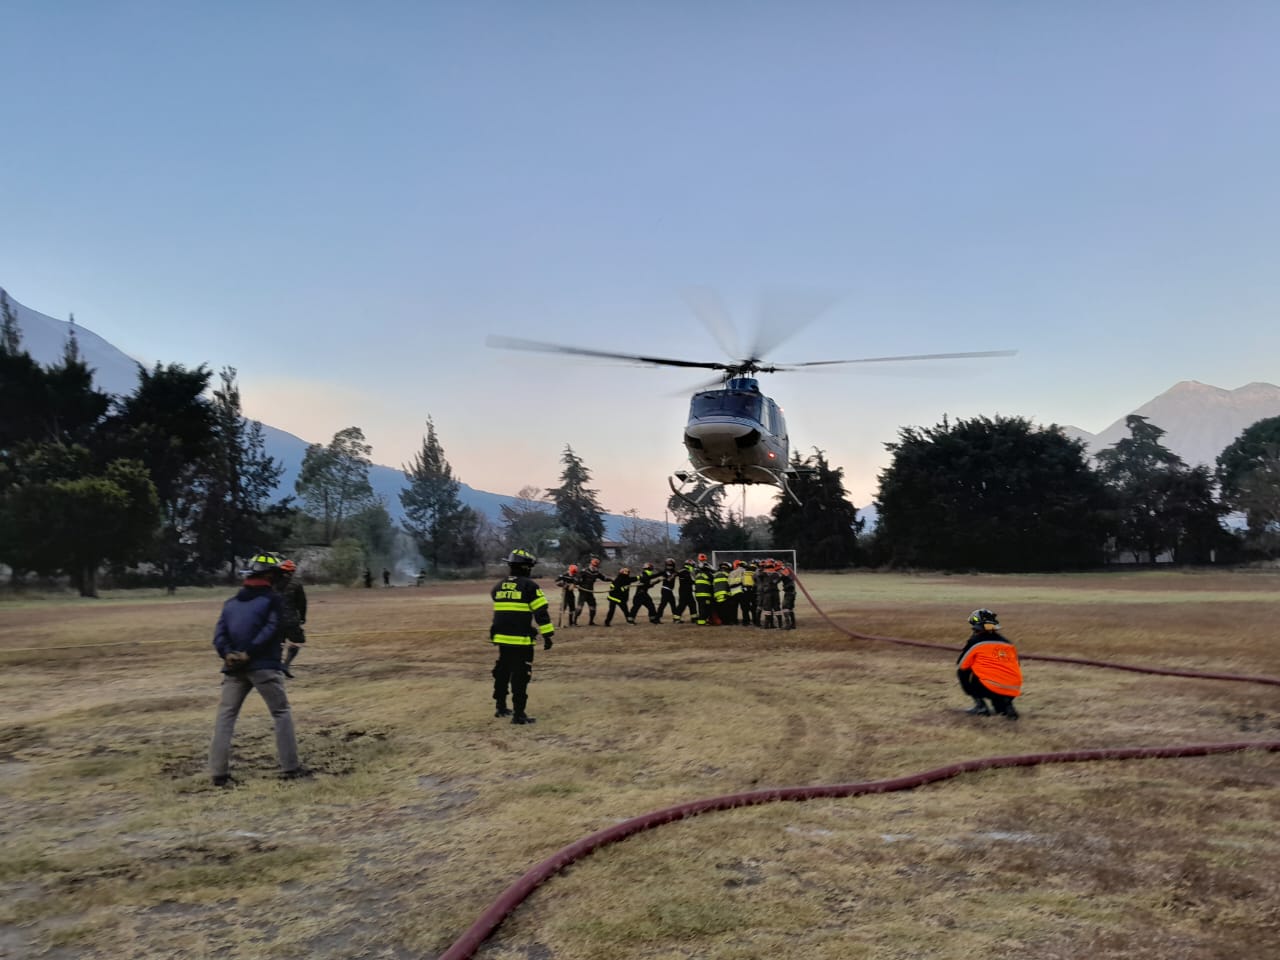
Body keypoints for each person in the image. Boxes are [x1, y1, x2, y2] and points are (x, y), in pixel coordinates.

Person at [209, 553, 308, 785]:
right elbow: (272, 628)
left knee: (225, 717)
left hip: (233, 669)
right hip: (264, 666)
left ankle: (218, 774)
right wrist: (250, 652)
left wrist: (228, 654)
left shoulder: (230, 604)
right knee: (281, 713)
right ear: (270, 576)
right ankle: (291, 768)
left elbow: (219, 635)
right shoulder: (273, 600)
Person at [489, 548, 555, 724]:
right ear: (526, 567)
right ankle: (519, 714)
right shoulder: (529, 586)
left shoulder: (499, 586)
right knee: (520, 675)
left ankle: (500, 707)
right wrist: (548, 635)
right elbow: (541, 612)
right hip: (521, 639)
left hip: (501, 638)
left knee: (502, 671)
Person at [957, 609, 1022, 720]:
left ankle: (980, 706)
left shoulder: (976, 642)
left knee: (963, 672)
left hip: (988, 687)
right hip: (1013, 689)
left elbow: (962, 665)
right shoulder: (1008, 643)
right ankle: (1007, 705)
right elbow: (1017, 664)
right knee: (1000, 709)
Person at [276, 558, 307, 678]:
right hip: (291, 619)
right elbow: (302, 603)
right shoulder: (296, 584)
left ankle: (276, 666)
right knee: (298, 641)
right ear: (292, 571)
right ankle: (285, 665)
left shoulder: (272, 583)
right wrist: (303, 617)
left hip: (275, 620)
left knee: (278, 643)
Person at [576, 556, 608, 625]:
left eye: (596, 566)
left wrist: (612, 580)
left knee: (593, 606)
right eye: (594, 565)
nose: (595, 567)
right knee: (580, 607)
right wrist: (576, 583)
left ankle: (591, 622)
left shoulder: (596, 572)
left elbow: (603, 578)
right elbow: (577, 579)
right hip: (583, 592)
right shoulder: (584, 571)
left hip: (590, 592)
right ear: (590, 564)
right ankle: (574, 621)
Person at [655, 558, 680, 623]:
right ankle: (657, 618)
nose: (669, 567)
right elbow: (655, 575)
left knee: (672, 604)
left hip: (669, 590)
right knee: (663, 604)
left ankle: (676, 619)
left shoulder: (674, 572)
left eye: (671, 565)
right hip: (665, 589)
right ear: (666, 565)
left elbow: (681, 574)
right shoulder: (664, 572)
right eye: (668, 565)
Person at [673, 558, 697, 623]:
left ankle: (694, 618)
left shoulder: (686, 571)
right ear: (690, 565)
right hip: (684, 592)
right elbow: (689, 581)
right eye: (693, 566)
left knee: (692, 604)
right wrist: (696, 582)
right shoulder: (684, 571)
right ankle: (676, 618)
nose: (693, 568)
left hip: (688, 591)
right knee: (682, 605)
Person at [693, 557, 714, 625]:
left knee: (700, 607)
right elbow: (712, 583)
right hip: (706, 595)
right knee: (706, 608)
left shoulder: (698, 575)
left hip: (698, 595)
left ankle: (701, 620)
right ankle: (702, 621)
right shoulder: (709, 575)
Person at [739, 560, 758, 627]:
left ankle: (745, 622)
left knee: (745, 608)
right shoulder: (755, 574)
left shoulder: (743, 574)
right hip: (753, 592)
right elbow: (757, 583)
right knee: (754, 608)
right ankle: (755, 621)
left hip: (744, 591)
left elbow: (740, 582)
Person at [778, 565, 797, 630]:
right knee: (790, 608)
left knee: (785, 607)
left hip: (789, 593)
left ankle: (788, 625)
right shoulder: (788, 573)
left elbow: (777, 580)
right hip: (792, 592)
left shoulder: (783, 574)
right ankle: (793, 624)